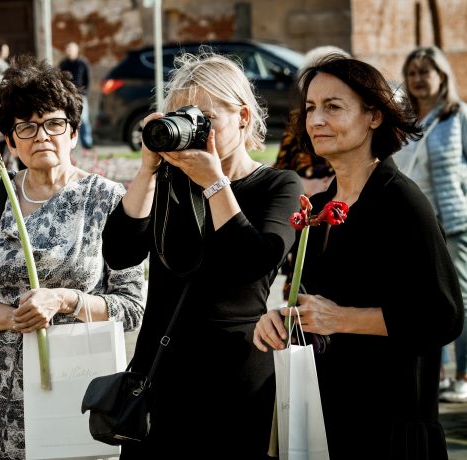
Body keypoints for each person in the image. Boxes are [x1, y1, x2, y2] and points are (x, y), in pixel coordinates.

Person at [253, 55, 464, 458]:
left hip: (388, 426)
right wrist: (281, 321)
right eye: (311, 107)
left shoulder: (401, 201)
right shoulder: (318, 206)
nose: (316, 120)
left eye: (333, 107)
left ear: (374, 117)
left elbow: (443, 315)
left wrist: (342, 318)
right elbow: (317, 305)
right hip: (324, 420)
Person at [101, 53, 302, 458]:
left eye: (205, 118)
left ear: (243, 116)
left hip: (234, 378)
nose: (194, 129)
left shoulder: (279, 185)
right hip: (161, 374)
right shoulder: (171, 183)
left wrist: (213, 182)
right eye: (183, 117)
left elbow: (254, 262)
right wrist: (147, 172)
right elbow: (119, 253)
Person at [0, 55, 145, 458]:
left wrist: (63, 301)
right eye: (26, 126)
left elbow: (132, 307)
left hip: (79, 387)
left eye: (54, 123)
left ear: (73, 132)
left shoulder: (108, 200)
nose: (41, 136)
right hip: (0, 397)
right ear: (10, 140)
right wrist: (12, 316)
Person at [393, 46, 467, 402]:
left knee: (459, 300)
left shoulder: (458, 116)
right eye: (412, 72)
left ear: (442, 76)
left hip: (452, 221)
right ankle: (433, 372)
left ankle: (463, 375)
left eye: (426, 72)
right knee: (419, 300)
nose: (418, 80)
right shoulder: (402, 119)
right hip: (411, 223)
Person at [273, 46, 348, 299]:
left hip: (339, 211)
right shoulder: (299, 121)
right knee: (302, 292)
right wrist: (302, 183)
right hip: (307, 212)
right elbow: (281, 169)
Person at [58, 42, 93, 154]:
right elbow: (59, 78)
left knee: (84, 119)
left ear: (77, 51)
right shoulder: (63, 64)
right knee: (69, 119)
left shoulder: (82, 63)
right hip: (67, 95)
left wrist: (85, 92)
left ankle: (87, 143)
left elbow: (87, 78)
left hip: (80, 95)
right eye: (68, 49)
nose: (69, 51)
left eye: (71, 49)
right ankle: (71, 143)